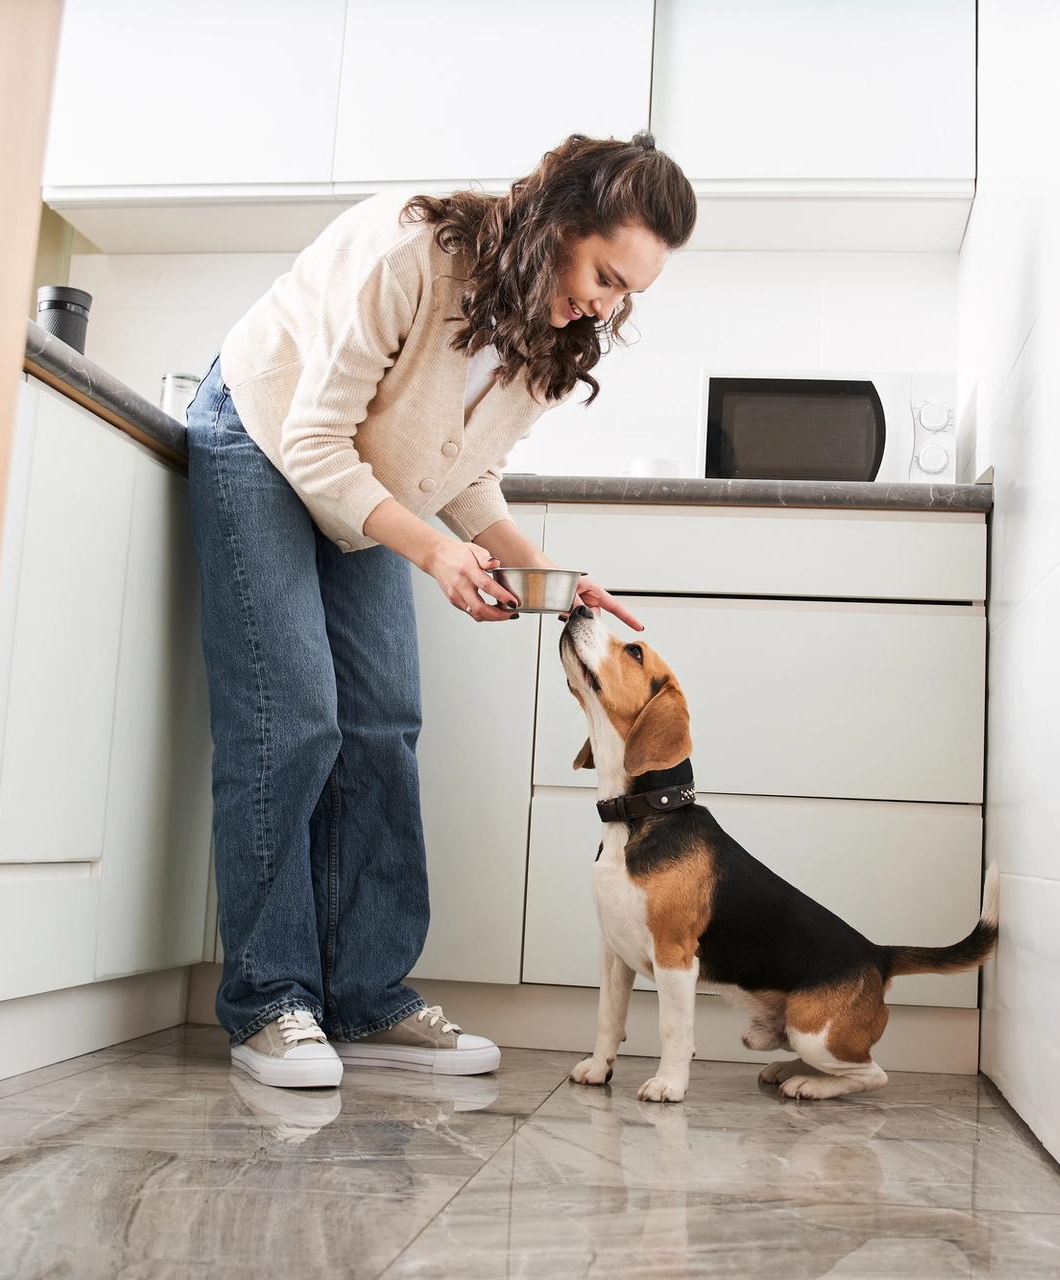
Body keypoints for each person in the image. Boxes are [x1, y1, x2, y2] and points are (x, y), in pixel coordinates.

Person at [184, 133, 696, 1087]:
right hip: (261, 437)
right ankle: (271, 1001)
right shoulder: (411, 255)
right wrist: (432, 554)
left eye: (629, 292)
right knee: (291, 721)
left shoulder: (554, 337)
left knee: (384, 723)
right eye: (604, 274)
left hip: (361, 477)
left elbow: (466, 472)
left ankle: (368, 1000)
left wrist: (546, 571)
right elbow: (314, 436)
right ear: (558, 223)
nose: (607, 304)